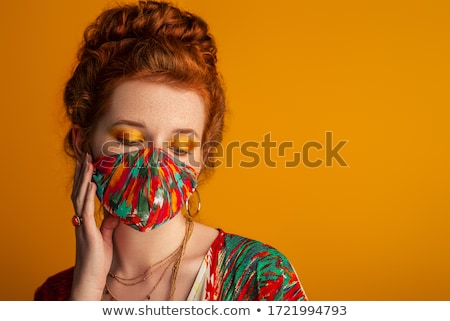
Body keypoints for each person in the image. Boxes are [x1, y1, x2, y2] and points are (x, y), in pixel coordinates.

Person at [34, 0, 307, 301]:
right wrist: (85, 292)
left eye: (181, 145)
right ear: (82, 143)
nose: (154, 164)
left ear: (202, 156)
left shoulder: (258, 276)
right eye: (128, 137)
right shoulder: (55, 296)